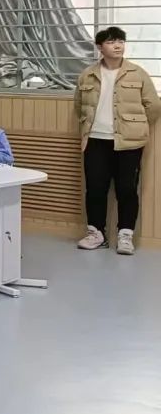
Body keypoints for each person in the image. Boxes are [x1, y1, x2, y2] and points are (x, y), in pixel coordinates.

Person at [73, 26, 160, 255]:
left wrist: (136, 127)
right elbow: (79, 106)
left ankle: (125, 235)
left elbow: (153, 106)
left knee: (127, 189)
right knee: (95, 189)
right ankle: (96, 234)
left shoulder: (137, 73)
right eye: (111, 42)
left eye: (121, 41)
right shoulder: (87, 74)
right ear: (100, 47)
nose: (118, 45)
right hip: (95, 140)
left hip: (129, 142)